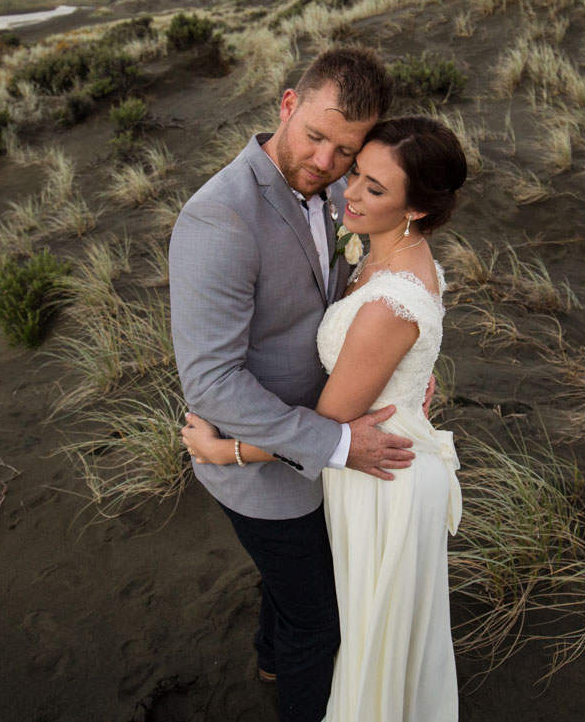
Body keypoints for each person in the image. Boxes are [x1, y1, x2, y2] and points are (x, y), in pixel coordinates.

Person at [182, 115, 468, 721]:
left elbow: (334, 428)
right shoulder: (388, 252)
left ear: (415, 209)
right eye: (356, 175)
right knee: (345, 610)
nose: (348, 193)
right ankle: (275, 657)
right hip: (372, 452)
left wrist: (225, 451)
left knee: (347, 628)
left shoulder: (392, 300)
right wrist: (406, 374)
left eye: (374, 188)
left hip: (379, 480)